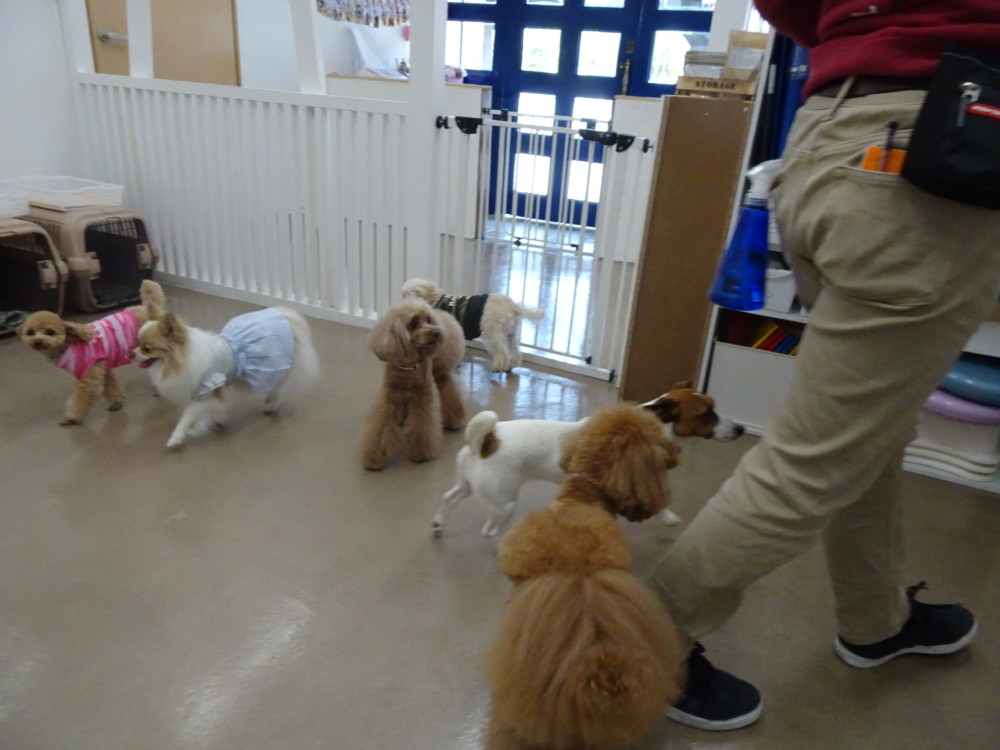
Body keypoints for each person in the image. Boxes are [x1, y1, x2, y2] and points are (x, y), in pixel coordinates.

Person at [651, 0, 1000, 732]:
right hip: (937, 143)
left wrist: (866, 31)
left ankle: (877, 620)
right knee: (810, 462)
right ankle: (634, 650)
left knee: (871, 432)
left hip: (825, 139)